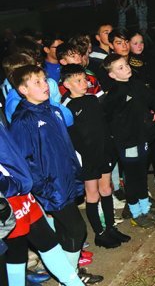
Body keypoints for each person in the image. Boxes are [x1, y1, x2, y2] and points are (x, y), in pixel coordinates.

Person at [8, 65, 102, 284]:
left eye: (44, 79)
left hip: (67, 179)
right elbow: (23, 162)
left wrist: (75, 172)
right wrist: (44, 187)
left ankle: (70, 273)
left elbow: (66, 147)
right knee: (77, 229)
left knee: (65, 232)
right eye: (37, 82)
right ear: (23, 90)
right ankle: (69, 277)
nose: (45, 86)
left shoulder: (53, 110)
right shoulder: (24, 121)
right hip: (51, 187)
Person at [0, 122, 88, 286]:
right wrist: (11, 185)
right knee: (16, 253)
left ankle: (74, 283)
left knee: (46, 241)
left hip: (21, 189)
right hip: (8, 195)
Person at [60, 65, 130, 248]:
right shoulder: (67, 107)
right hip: (87, 159)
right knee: (92, 194)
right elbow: (71, 138)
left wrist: (111, 148)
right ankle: (99, 233)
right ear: (67, 84)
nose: (84, 83)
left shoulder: (92, 100)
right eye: (78, 80)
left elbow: (103, 126)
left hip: (104, 153)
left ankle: (110, 227)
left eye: (85, 79)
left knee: (106, 189)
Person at [102, 53, 155, 227]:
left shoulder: (137, 85)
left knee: (141, 175)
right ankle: (135, 212)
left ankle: (145, 208)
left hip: (142, 138)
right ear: (112, 75)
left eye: (126, 65)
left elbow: (154, 98)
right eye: (120, 68)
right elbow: (106, 118)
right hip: (127, 143)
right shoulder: (114, 94)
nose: (127, 69)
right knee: (132, 178)